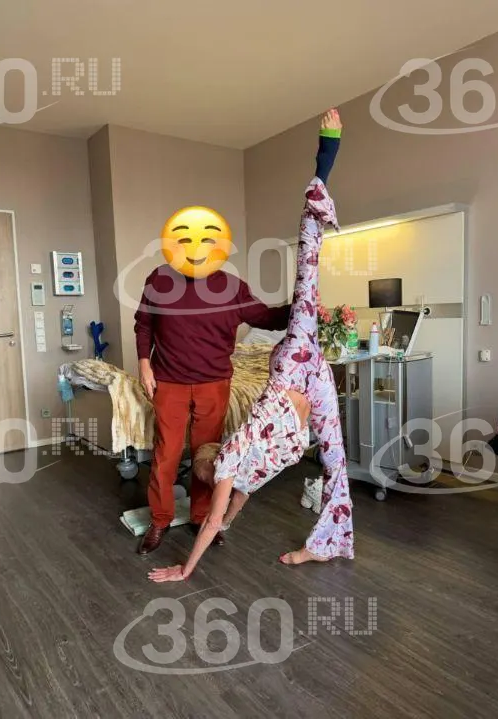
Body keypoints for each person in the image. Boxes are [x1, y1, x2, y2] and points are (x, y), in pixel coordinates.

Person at [148, 108, 352, 582]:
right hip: (310, 384)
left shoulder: (231, 468)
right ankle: (327, 544)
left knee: (307, 267)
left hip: (291, 372)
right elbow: (224, 516)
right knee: (337, 462)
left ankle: (325, 162)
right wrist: (214, 532)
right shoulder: (237, 473)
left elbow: (217, 519)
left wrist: (185, 569)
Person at [133, 197, 290, 556]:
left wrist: (303, 305)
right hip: (169, 381)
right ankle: (160, 520)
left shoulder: (233, 287)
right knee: (166, 455)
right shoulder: (160, 279)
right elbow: (144, 323)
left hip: (214, 383)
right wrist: (144, 364)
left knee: (207, 457)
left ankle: (201, 518)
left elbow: (267, 318)